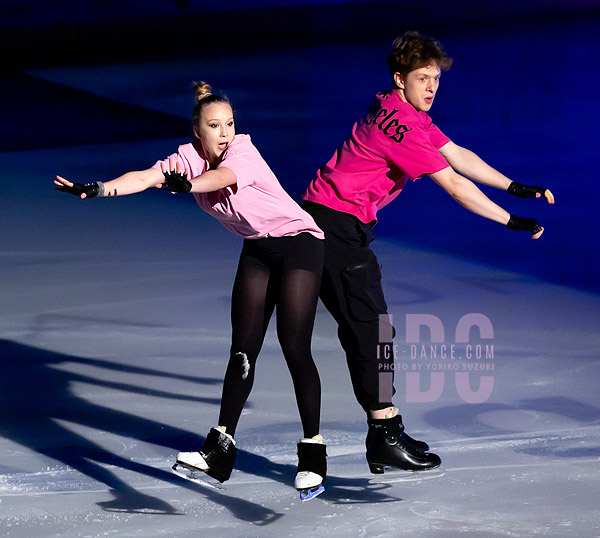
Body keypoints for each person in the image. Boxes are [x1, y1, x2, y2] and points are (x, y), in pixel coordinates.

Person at [55, 82, 327, 500]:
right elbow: (146, 177)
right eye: (215, 126)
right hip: (258, 249)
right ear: (197, 131)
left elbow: (222, 178)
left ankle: (312, 453)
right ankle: (220, 448)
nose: (224, 133)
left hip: (299, 244)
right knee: (243, 349)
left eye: (230, 124)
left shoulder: (243, 152)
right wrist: (97, 189)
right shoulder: (185, 157)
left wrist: (189, 186)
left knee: (293, 344)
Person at [301, 31, 555, 475]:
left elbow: (456, 154)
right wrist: (509, 221)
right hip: (333, 227)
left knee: (370, 332)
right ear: (400, 79)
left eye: (435, 78)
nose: (432, 87)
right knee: (374, 333)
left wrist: (514, 187)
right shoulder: (399, 126)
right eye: (422, 78)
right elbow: (455, 185)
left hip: (337, 224)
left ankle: (386, 429)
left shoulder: (402, 111)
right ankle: (384, 434)